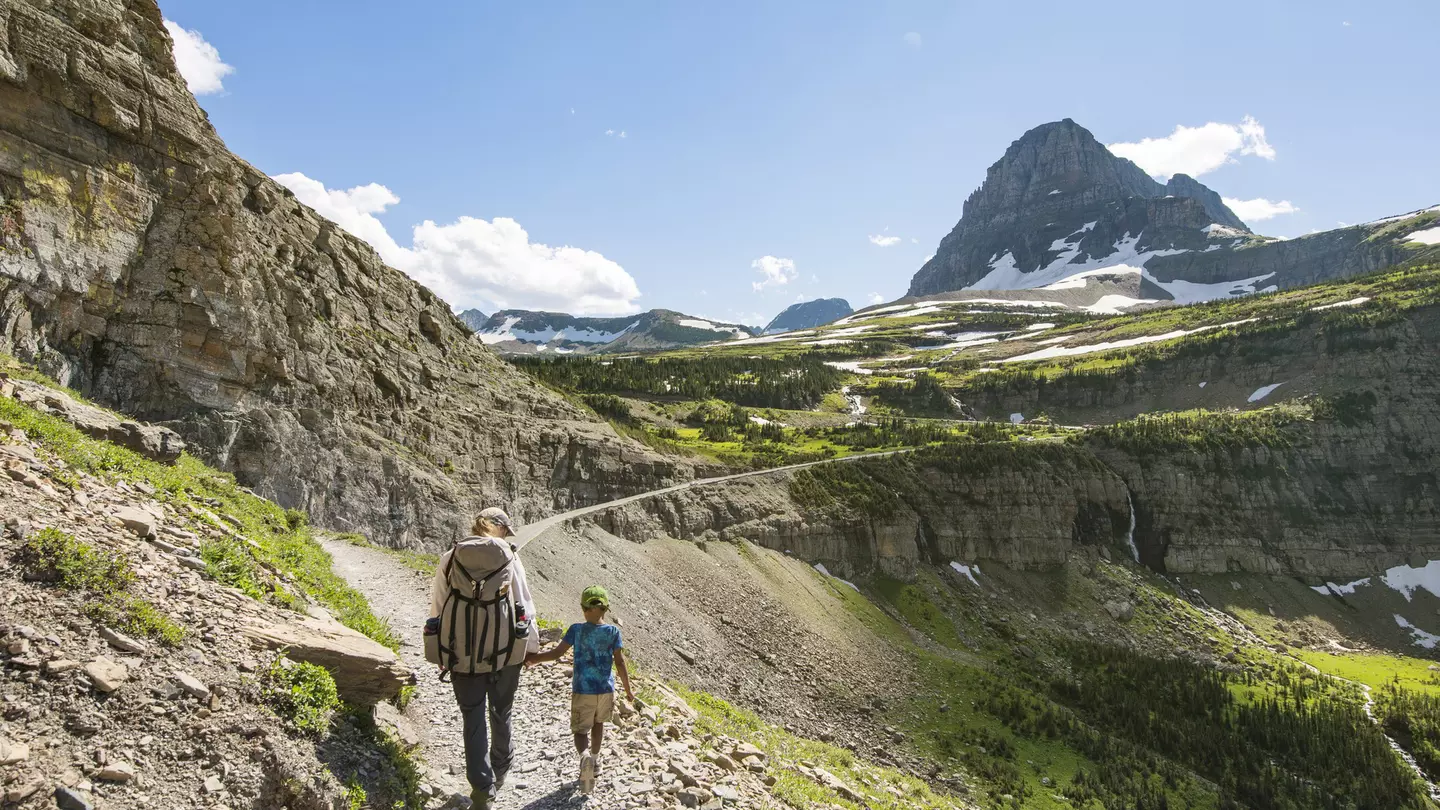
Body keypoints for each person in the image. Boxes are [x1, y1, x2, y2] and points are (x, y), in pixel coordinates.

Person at [428, 507, 539, 809]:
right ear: (499, 528)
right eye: (506, 530)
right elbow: (523, 604)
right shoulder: (510, 558)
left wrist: (442, 648)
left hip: (461, 652)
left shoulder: (451, 557)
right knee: (501, 710)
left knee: (473, 718)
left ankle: (481, 790)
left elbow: (438, 605)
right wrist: (531, 646)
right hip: (504, 653)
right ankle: (501, 767)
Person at [525, 585, 635, 793]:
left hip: (583, 689)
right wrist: (628, 691)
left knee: (579, 729)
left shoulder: (576, 630)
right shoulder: (613, 632)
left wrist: (534, 659)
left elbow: (557, 654)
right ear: (606, 609)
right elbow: (620, 663)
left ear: (584, 608)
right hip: (605, 690)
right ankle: (595, 760)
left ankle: (584, 757)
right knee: (598, 723)